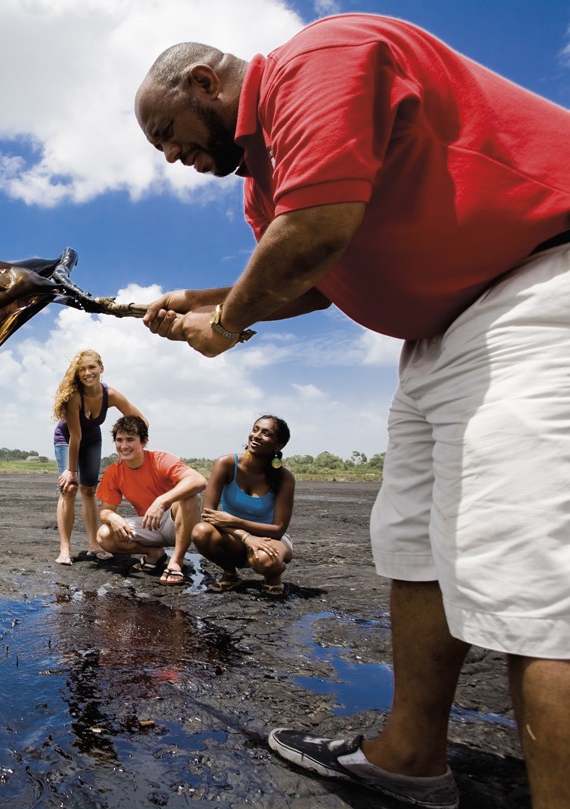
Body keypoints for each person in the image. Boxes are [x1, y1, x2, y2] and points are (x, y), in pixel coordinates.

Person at [132, 13, 570, 809]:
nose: (168, 155)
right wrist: (202, 298)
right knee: (412, 545)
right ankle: (409, 755)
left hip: (536, 289)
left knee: (536, 583)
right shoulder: (262, 187)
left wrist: (223, 325)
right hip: (440, 336)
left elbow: (313, 235)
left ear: (204, 82)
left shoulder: (314, 61)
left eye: (167, 131)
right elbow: (315, 278)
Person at [51, 349, 145, 565]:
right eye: (82, 369)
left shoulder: (110, 395)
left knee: (89, 490)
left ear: (101, 368)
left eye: (92, 367)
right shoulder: (74, 397)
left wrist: (128, 449)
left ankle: (94, 545)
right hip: (67, 439)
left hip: (92, 439)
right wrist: (71, 471)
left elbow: (141, 420)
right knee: (69, 488)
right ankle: (65, 549)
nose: (87, 372)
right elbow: (75, 436)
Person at [94, 415, 205, 584]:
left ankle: (176, 561)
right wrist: (112, 517)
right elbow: (105, 510)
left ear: (144, 441)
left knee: (190, 495)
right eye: (119, 440)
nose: (124, 446)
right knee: (104, 535)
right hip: (149, 525)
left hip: (176, 523)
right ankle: (154, 553)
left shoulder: (160, 459)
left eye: (130, 440)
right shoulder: (114, 471)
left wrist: (161, 501)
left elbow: (199, 480)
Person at [192, 415, 295, 596]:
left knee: (265, 561)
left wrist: (236, 521)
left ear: (278, 445)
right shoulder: (225, 464)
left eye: (266, 433)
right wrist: (246, 536)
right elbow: (208, 515)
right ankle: (230, 574)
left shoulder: (284, 478)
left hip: (271, 538)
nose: (256, 436)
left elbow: (278, 529)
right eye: (255, 429)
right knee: (201, 531)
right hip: (235, 537)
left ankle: (272, 577)